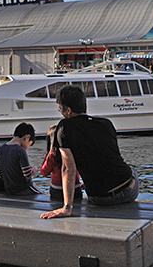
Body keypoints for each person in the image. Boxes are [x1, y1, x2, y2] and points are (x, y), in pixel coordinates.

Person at [40, 85, 138, 219]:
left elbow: (68, 168)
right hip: (128, 190)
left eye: (60, 109)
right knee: (132, 170)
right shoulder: (106, 123)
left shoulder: (64, 128)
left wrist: (67, 207)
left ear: (68, 110)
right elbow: (107, 157)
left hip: (100, 198)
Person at [40, 124, 83, 203]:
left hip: (57, 189)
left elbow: (44, 172)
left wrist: (47, 156)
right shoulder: (74, 153)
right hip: (75, 187)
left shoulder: (52, 156)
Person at [0, 122, 40, 195]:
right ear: (27, 137)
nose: (27, 147)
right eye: (29, 144)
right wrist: (34, 169)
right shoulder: (20, 151)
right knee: (41, 194)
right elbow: (27, 174)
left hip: (9, 189)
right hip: (23, 189)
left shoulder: (0, 149)